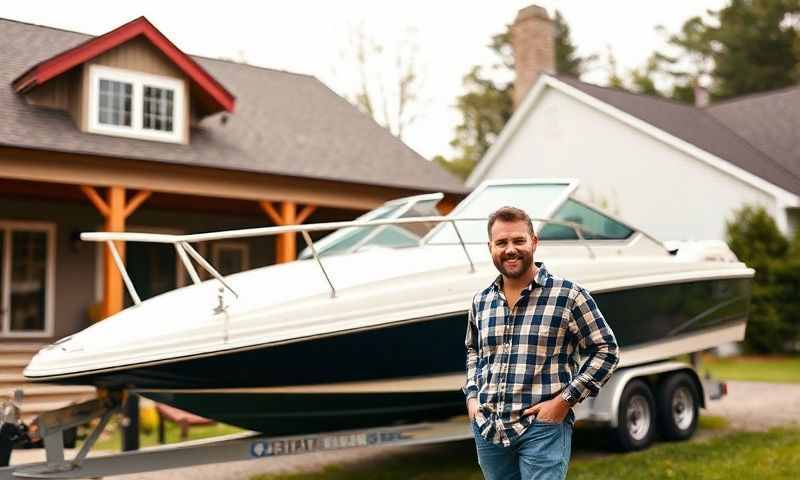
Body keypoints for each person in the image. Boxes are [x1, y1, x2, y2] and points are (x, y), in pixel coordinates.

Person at [464, 206, 619, 480]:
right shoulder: (481, 301)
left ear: (534, 242)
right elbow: (474, 351)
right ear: (490, 247)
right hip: (489, 429)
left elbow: (606, 350)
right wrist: (473, 398)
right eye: (501, 243)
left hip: (542, 428)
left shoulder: (568, 295)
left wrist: (564, 401)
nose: (510, 249)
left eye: (518, 240)